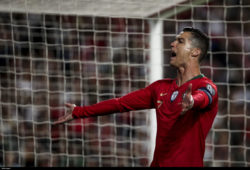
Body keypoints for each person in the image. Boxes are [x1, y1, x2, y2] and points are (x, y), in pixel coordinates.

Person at [54, 27, 218, 167]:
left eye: (180, 41)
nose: (172, 43)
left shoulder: (206, 86)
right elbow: (120, 104)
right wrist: (79, 112)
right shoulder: (160, 88)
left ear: (196, 52)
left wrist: (192, 101)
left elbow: (204, 97)